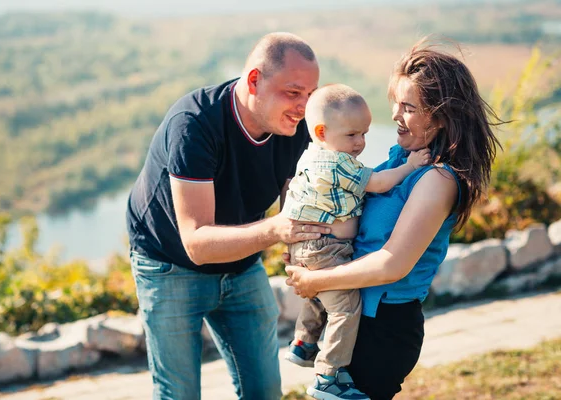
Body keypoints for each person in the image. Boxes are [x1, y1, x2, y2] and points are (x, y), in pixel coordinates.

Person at [285, 37, 501, 400]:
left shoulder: (439, 179)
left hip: (383, 328)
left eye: (409, 107)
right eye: (396, 103)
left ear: (442, 114)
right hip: (356, 316)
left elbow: (392, 264)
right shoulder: (399, 160)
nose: (396, 116)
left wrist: (314, 279)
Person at [126, 32, 330, 400]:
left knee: (265, 391)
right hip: (168, 264)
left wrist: (306, 251)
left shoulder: (294, 126)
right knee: (180, 394)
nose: (304, 107)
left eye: (310, 95)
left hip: (240, 263)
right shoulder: (194, 124)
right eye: (293, 92)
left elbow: (291, 205)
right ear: (254, 80)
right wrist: (277, 229)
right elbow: (198, 244)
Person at [280, 84, 430, 400]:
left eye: (365, 134)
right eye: (352, 135)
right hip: (327, 248)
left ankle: (304, 342)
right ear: (322, 131)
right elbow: (376, 183)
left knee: (320, 298)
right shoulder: (336, 162)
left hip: (311, 247)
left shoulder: (311, 156)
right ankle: (328, 375)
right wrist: (411, 166)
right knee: (346, 307)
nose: (361, 143)